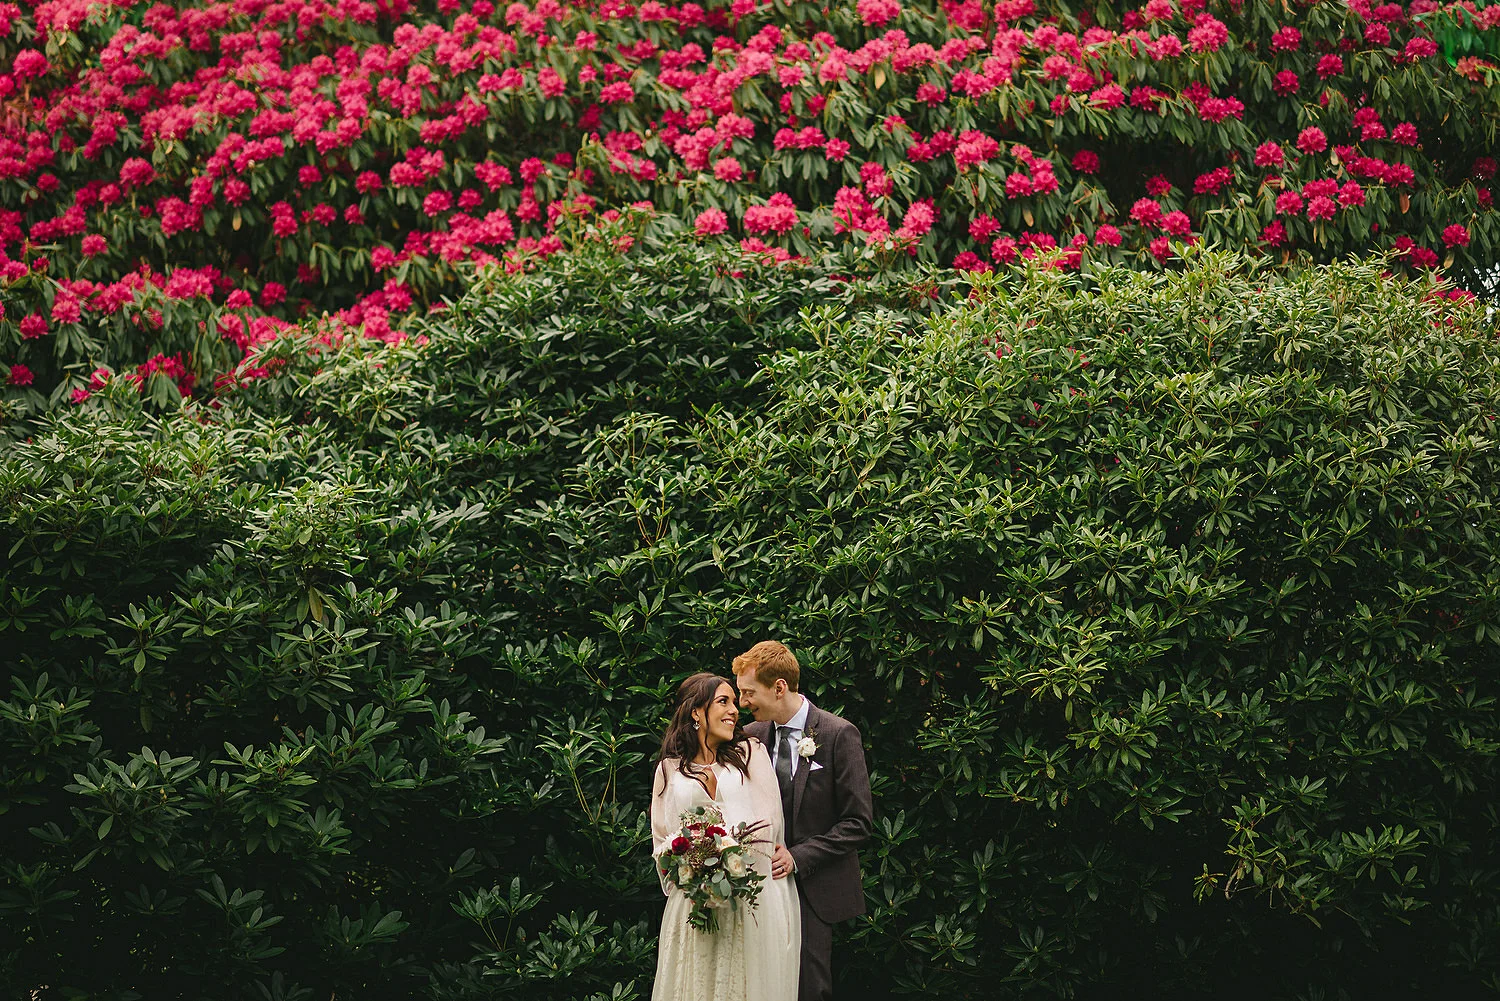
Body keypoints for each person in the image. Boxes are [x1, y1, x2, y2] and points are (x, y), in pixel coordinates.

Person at [649, 672, 801, 1001]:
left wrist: (729, 860)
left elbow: (769, 824)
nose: (734, 709)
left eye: (735, 702)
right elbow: (662, 842)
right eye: (724, 701)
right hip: (694, 903)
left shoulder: (750, 754)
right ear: (695, 712)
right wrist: (693, 866)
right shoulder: (669, 771)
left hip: (746, 900)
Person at [734, 641, 873, 1001]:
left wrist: (799, 857)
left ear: (778, 687)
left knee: (810, 988)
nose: (743, 703)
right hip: (758, 889)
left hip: (814, 887)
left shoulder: (838, 734)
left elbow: (858, 821)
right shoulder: (751, 738)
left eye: (749, 693)